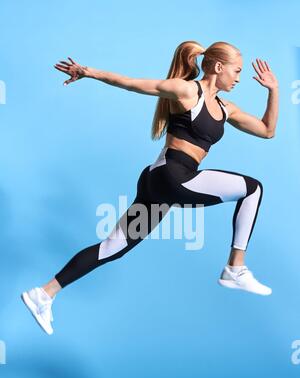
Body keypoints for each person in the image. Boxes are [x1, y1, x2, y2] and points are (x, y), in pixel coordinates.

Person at [21, 40, 279, 335]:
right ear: (219, 67)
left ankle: (43, 294)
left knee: (112, 248)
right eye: (236, 70)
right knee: (253, 188)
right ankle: (235, 267)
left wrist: (273, 90)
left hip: (159, 182)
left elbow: (267, 131)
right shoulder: (188, 91)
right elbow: (134, 84)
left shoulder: (225, 108)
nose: (239, 78)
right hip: (173, 177)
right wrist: (89, 72)